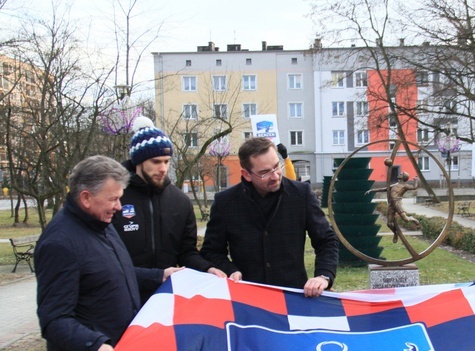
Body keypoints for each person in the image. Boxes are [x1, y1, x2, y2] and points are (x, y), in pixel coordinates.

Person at [35, 155, 181, 351]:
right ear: (86, 197)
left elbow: (116, 273)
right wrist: (94, 344)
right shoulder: (60, 242)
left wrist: (159, 276)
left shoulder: (101, 225)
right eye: (113, 199)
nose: (118, 207)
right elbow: (53, 318)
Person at [200, 137, 338, 297]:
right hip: (246, 298)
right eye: (264, 172)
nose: (275, 176)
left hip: (293, 297)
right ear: (246, 174)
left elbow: (326, 241)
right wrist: (231, 270)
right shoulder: (225, 203)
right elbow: (211, 251)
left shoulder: (301, 195)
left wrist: (323, 276)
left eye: (276, 167)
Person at [112, 117, 226, 302]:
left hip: (164, 299)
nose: (163, 168)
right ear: (138, 161)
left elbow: (186, 252)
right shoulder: (116, 197)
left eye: (166, 161)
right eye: (156, 161)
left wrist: (207, 269)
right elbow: (105, 257)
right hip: (120, 295)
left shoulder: (180, 201)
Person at [366, 172, 419, 243]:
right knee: (389, 224)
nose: (399, 173)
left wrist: (415, 180)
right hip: (391, 204)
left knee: (405, 219)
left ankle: (412, 218)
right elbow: (384, 189)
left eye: (401, 174)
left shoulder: (405, 186)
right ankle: (395, 233)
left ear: (404, 177)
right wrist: (372, 190)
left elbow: (414, 187)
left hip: (397, 203)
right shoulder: (395, 185)